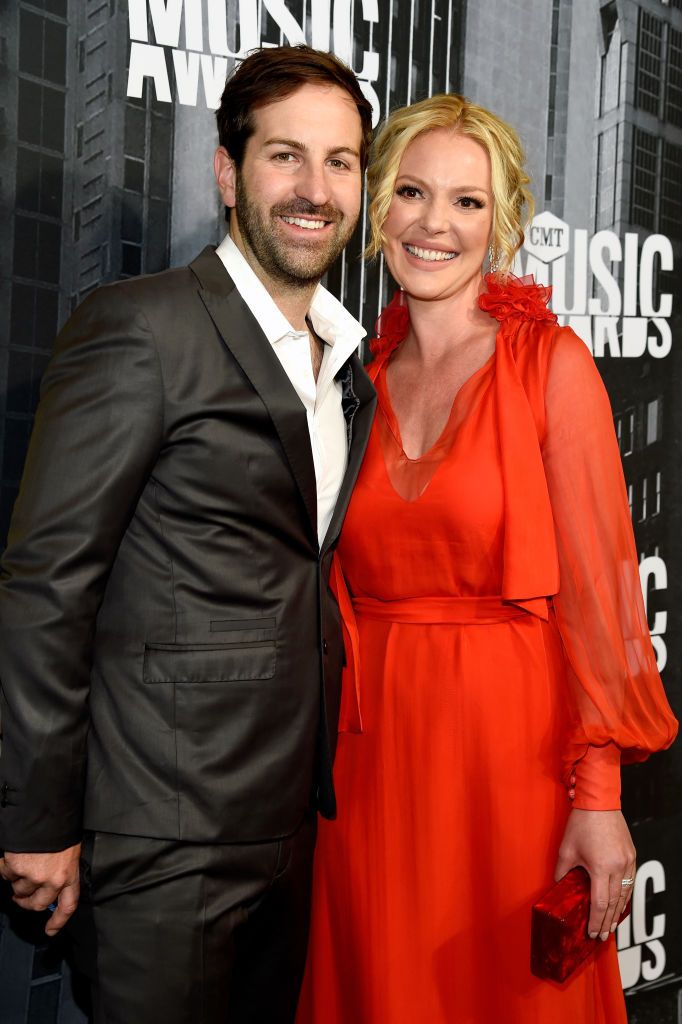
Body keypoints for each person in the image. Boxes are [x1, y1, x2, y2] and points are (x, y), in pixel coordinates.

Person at [0, 44, 376, 1023]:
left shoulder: (345, 365)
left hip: (290, 829)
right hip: (159, 841)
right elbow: (48, 580)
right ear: (227, 168)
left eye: (339, 162)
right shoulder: (141, 328)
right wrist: (36, 818)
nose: (313, 189)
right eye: (284, 156)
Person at [296, 94, 678, 1024]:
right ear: (376, 207)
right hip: (367, 766)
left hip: (511, 767)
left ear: (503, 221)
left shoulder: (550, 365)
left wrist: (597, 797)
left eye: (468, 203)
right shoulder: (349, 383)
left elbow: (598, 606)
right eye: (413, 193)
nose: (436, 224)